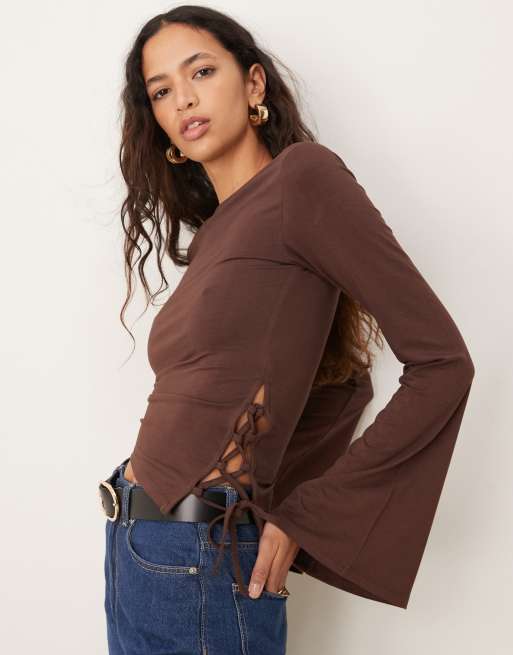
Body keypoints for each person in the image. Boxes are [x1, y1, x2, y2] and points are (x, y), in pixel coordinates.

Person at [98, 5, 475, 654]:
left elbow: (442, 363)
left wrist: (301, 515)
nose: (182, 98)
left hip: (199, 555)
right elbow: (340, 382)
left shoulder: (303, 179)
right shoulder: (216, 232)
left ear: (253, 84)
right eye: (160, 91)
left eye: (201, 72)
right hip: (138, 545)